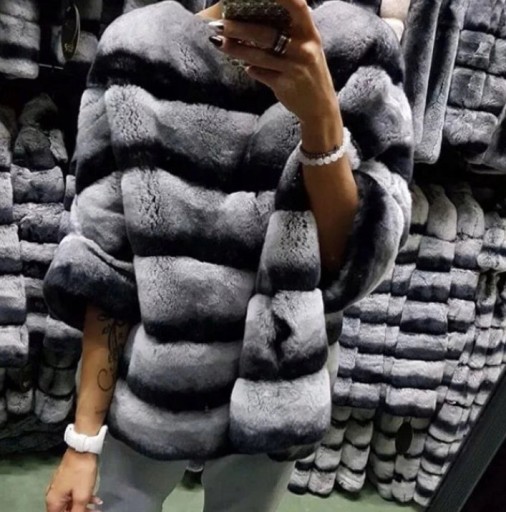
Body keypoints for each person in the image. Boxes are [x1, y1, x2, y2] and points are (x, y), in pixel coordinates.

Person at [43, 0, 414, 511]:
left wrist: (321, 119)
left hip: (275, 389)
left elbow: (352, 264)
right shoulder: (138, 52)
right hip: (151, 386)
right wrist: (83, 441)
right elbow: (104, 266)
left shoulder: (360, 52)